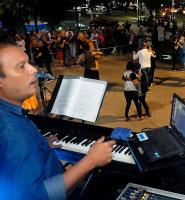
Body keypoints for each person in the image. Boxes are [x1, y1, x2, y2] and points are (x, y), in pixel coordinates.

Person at [0, 42, 115, 199]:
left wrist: (41, 148)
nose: (33, 69)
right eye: (21, 66)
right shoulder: (11, 131)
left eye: (29, 63)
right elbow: (38, 195)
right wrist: (91, 161)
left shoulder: (9, 113)